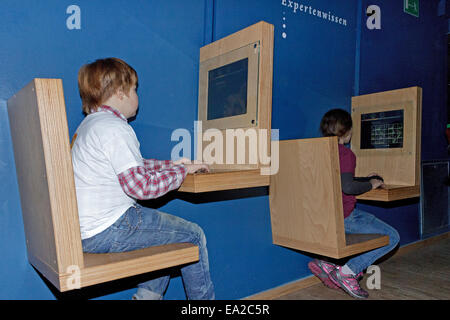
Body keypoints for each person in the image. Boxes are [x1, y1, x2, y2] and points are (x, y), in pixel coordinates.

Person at [71, 57, 214, 300]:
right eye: (134, 89)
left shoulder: (90, 126)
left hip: (87, 232)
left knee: (164, 238)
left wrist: (174, 165)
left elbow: (133, 166)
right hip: (110, 228)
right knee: (193, 236)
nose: (137, 95)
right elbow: (142, 187)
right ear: (120, 92)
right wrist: (180, 173)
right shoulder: (116, 129)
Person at [308, 108, 400, 299]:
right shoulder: (346, 154)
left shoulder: (318, 149)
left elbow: (339, 180)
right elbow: (348, 187)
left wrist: (361, 180)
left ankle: (328, 264)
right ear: (347, 131)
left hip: (323, 216)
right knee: (393, 237)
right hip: (345, 217)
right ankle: (347, 272)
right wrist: (371, 184)